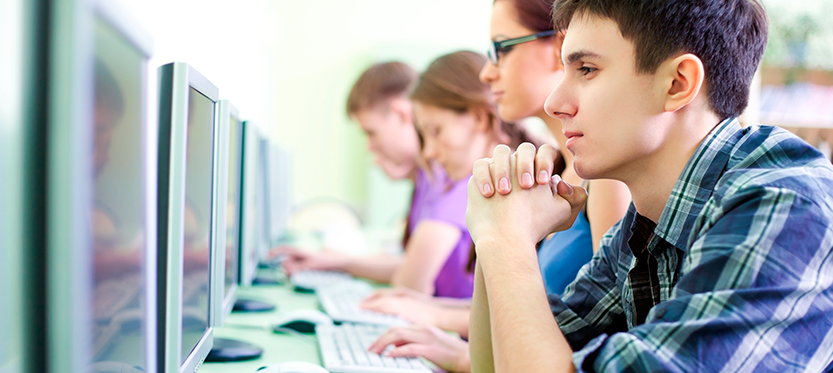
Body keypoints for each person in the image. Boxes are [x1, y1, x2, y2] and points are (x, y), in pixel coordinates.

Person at [466, 0, 833, 371]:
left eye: (587, 69)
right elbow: (498, 364)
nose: (554, 103)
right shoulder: (644, 224)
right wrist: (498, 222)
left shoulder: (782, 205)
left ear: (678, 83)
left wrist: (507, 240)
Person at [365, 1, 631, 370]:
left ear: (560, 46)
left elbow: (598, 332)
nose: (488, 74)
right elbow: (535, 309)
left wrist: (449, 336)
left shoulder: (605, 180)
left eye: (501, 49)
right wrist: (433, 315)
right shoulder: (561, 170)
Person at [276, 62, 473, 298]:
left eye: (371, 132)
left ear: (402, 114)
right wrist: (336, 261)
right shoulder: (425, 180)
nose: (369, 146)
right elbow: (407, 266)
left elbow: (409, 281)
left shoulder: (450, 177)